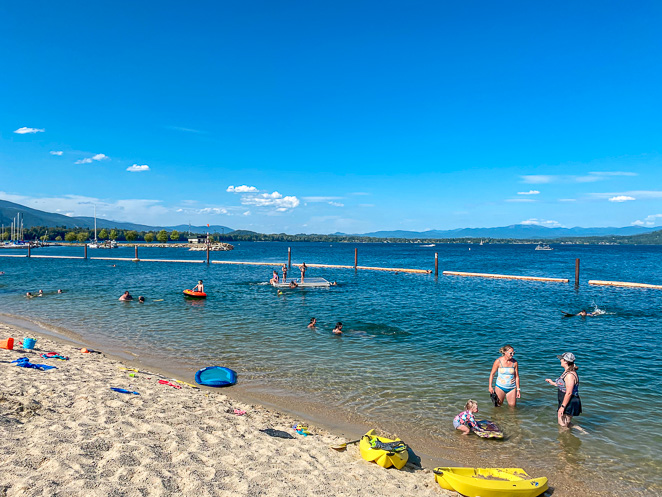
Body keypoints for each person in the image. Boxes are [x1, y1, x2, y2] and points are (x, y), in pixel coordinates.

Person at [545, 352, 582, 427]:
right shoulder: (567, 371)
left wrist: (562, 407)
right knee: (566, 424)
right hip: (566, 401)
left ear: (565, 361)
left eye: (561, 359)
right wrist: (553, 383)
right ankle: (579, 430)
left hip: (569, 402)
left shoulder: (569, 375)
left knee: (562, 426)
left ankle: (564, 438)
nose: (560, 360)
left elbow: (569, 392)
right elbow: (564, 386)